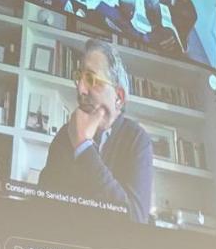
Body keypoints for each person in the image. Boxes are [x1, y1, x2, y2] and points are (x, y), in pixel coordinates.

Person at [40, 38, 154, 223]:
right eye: (79, 78)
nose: (80, 89)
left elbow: (135, 221)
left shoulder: (137, 140)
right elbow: (43, 204)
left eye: (91, 79)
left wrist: (84, 147)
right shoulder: (64, 135)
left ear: (118, 96)